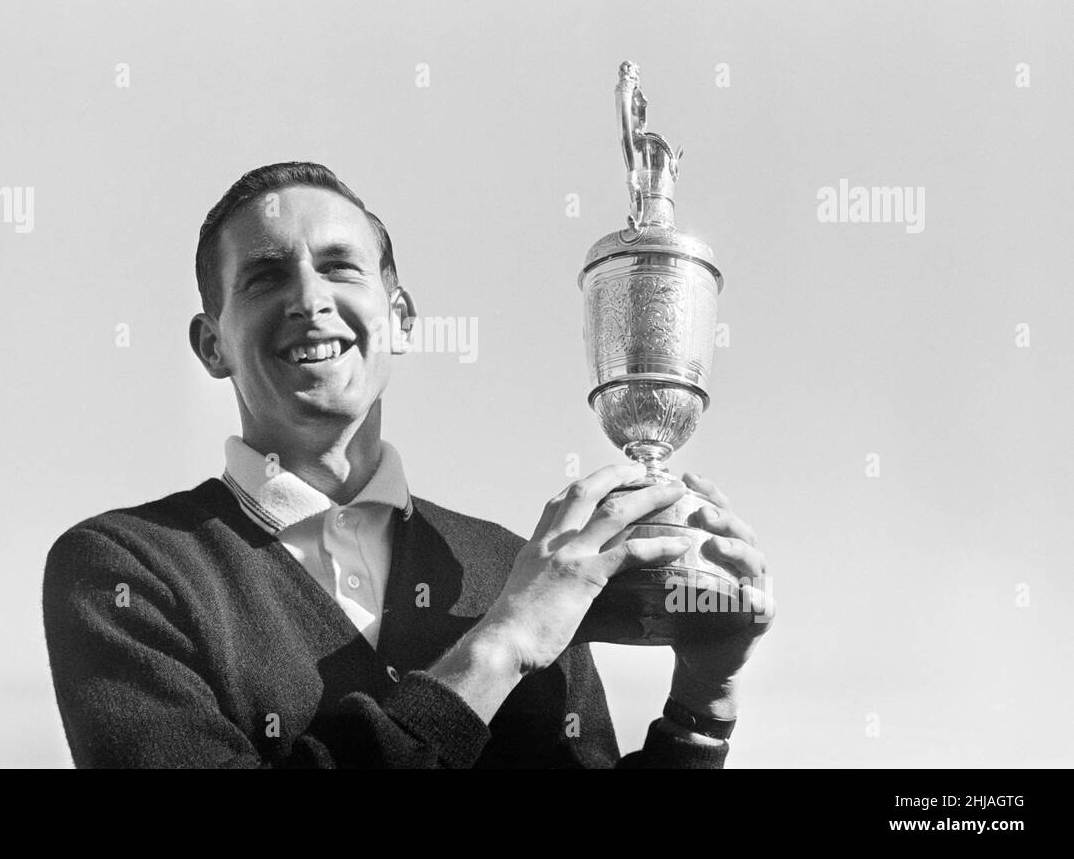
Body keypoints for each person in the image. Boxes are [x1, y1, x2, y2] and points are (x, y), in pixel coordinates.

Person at [42, 161, 774, 768]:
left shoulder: (515, 564)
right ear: (211, 344)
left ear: (401, 321)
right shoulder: (124, 571)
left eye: (340, 268)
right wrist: (499, 647)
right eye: (266, 277)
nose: (309, 298)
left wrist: (704, 702)